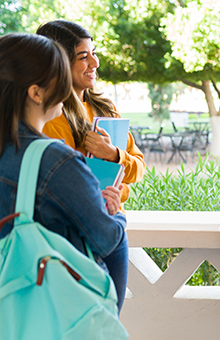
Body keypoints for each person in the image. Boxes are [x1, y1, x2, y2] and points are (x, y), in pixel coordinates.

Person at [36, 20, 145, 313]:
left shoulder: (105, 109)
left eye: (93, 53)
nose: (94, 63)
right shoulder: (49, 119)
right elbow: (57, 187)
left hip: (111, 229)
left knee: (110, 322)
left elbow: (138, 169)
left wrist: (113, 154)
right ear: (58, 63)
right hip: (70, 237)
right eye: (83, 57)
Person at [0, 32, 126, 275]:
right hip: (48, 289)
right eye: (60, 77)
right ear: (36, 93)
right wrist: (116, 216)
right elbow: (106, 238)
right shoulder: (57, 161)